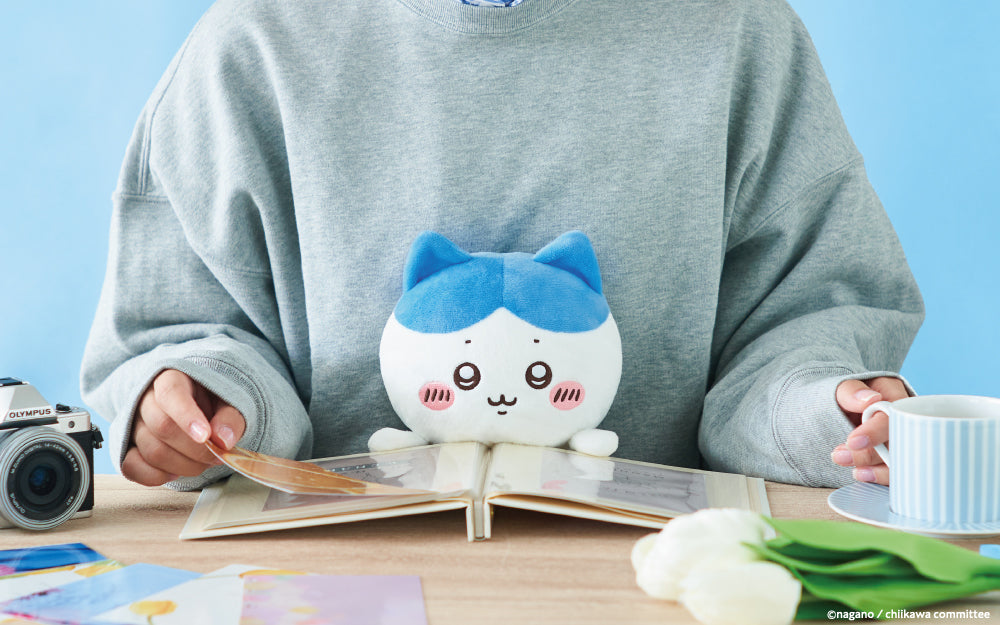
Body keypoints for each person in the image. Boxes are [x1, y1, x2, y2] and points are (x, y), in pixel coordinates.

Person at [81, 0, 923, 491]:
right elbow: (186, 323)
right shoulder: (252, 40)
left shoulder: (739, 31)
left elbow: (802, 316)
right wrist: (205, 405)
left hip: (654, 576)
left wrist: (826, 411)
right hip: (329, 570)